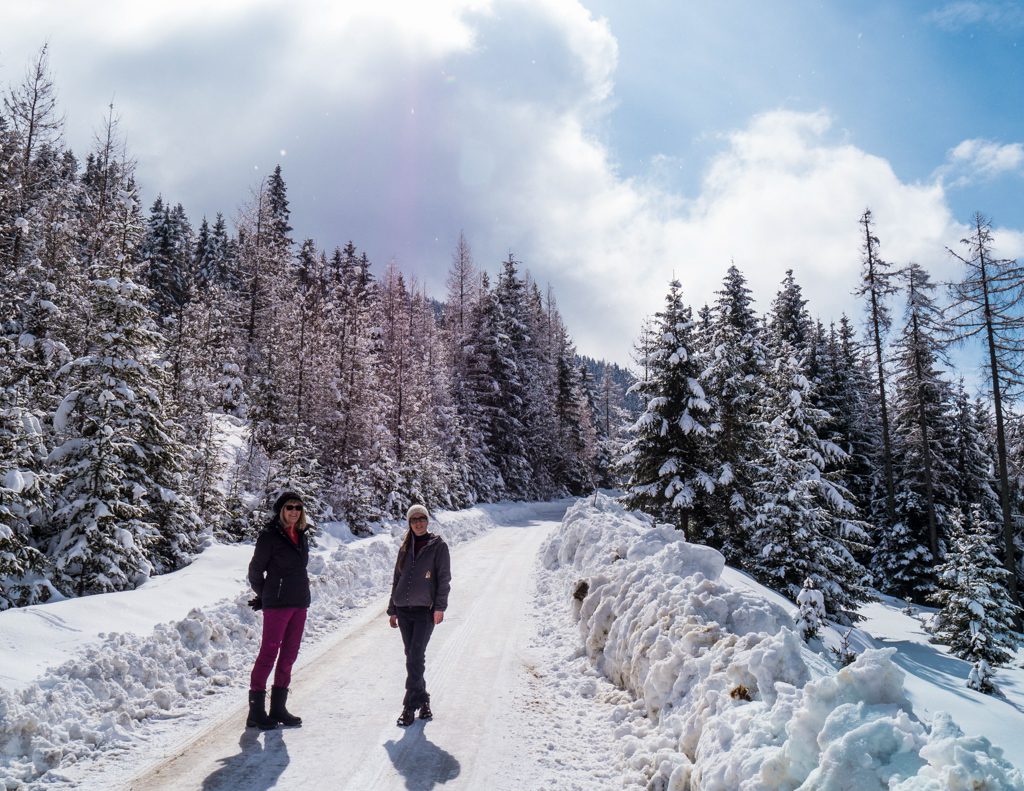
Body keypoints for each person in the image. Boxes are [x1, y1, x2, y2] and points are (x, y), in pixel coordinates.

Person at [245, 491, 310, 730]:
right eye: (290, 507)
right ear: (281, 510)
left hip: (299, 602)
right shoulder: (269, 536)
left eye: (298, 508)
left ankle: (278, 708)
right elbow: (255, 572)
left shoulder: (301, 535)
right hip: (278, 605)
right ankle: (256, 712)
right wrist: (266, 596)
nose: (294, 511)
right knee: (269, 654)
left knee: (289, 655)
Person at [387, 503, 451, 727]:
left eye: (422, 518)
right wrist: (392, 609)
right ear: (409, 523)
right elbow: (397, 579)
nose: (419, 523)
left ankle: (409, 706)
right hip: (404, 610)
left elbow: (444, 579)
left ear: (427, 520)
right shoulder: (405, 547)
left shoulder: (438, 546)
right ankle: (423, 701)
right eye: (414, 520)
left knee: (415, 656)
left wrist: (440, 607)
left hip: (425, 610)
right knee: (412, 658)